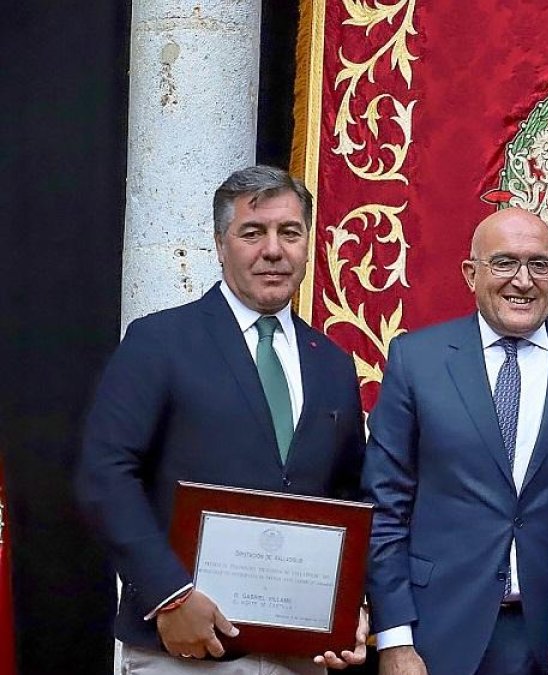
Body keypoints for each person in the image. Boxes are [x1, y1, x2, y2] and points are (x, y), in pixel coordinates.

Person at [77, 166, 368, 673]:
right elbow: (104, 475)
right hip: (183, 650)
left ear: (308, 244)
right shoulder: (159, 342)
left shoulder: (333, 362)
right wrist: (170, 595)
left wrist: (350, 608)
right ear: (219, 243)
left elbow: (347, 496)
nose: (273, 250)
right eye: (253, 232)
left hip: (298, 656)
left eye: (290, 232)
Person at [362, 208, 548, 675]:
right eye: (504, 263)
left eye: (539, 265)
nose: (523, 280)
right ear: (470, 273)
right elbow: (385, 506)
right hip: (438, 632)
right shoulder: (418, 359)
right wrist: (394, 639)